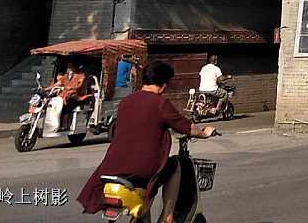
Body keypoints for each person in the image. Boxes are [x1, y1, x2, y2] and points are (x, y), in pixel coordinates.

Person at [78, 60, 216, 223]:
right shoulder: (160, 103)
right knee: (175, 166)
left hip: (112, 165)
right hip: (140, 168)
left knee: (145, 198)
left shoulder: (126, 102)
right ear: (163, 83)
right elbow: (187, 127)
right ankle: (168, 216)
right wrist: (205, 133)